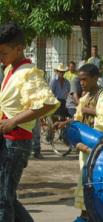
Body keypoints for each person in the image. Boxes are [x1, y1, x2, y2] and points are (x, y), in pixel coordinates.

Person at [0, 22, 59, 222]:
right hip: (6, 140)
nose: (1, 58)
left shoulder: (28, 72)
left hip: (15, 142)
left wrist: (12, 121)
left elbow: (48, 103)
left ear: (19, 49)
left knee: (3, 199)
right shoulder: (10, 69)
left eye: (3, 53)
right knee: (6, 196)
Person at [57, 64, 103, 222]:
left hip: (96, 146)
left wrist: (88, 110)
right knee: (85, 181)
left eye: (85, 79)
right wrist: (66, 123)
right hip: (83, 146)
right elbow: (78, 118)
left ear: (95, 78)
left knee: (92, 182)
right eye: (80, 80)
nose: (81, 83)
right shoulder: (84, 97)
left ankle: (87, 216)